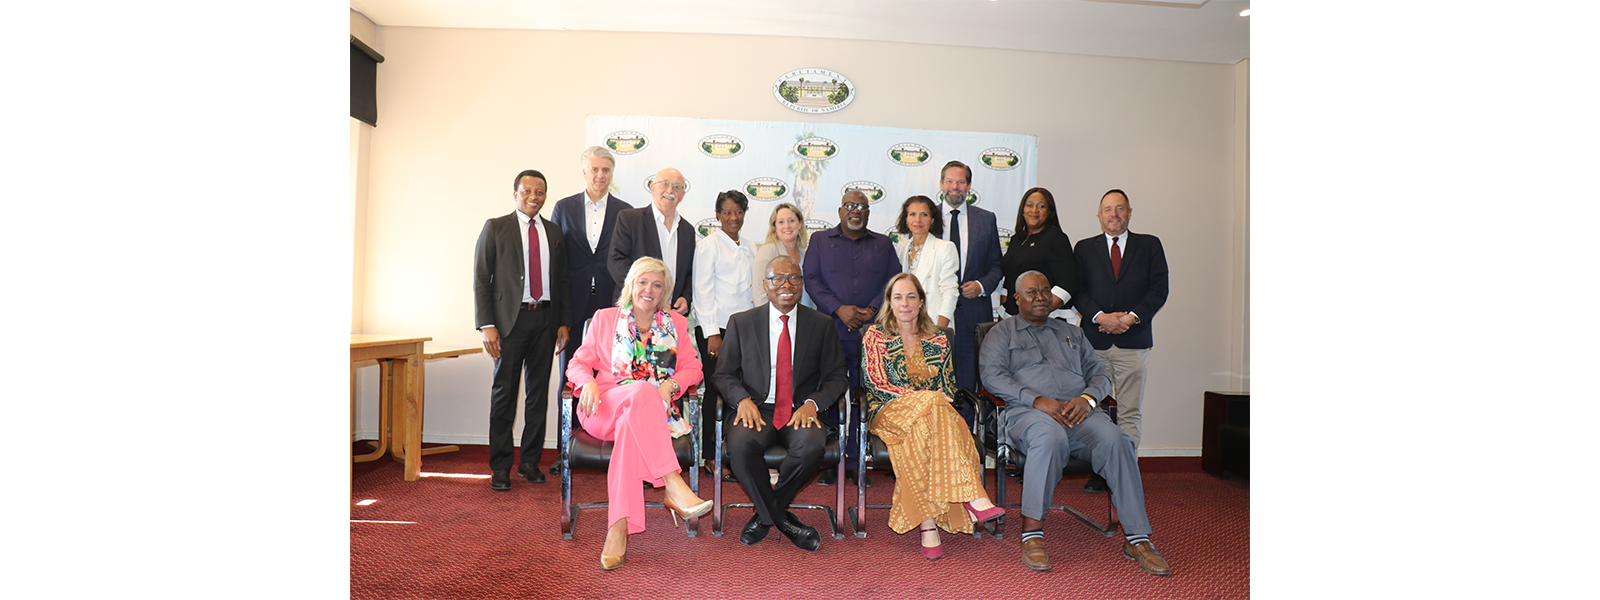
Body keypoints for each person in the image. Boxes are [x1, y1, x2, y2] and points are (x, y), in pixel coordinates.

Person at [979, 271, 1170, 576]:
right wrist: (1036, 400)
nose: (1040, 297)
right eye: (1031, 292)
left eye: (1045, 291)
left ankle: (1137, 538)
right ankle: (1032, 534)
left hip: (1079, 414)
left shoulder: (1072, 333)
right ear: (1017, 299)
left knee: (1118, 440)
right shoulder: (1001, 333)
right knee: (1049, 436)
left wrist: (1088, 399)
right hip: (1028, 414)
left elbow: (1099, 373)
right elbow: (992, 376)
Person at [565, 257, 714, 571]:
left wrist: (671, 384)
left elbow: (695, 368)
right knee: (644, 390)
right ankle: (672, 482)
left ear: (664, 292)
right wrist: (587, 382)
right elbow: (577, 363)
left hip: (646, 417)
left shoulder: (676, 324)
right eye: (643, 282)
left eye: (657, 285)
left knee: (632, 422)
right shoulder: (605, 318)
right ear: (631, 285)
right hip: (603, 406)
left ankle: (618, 527)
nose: (649, 289)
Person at [860, 273, 1004, 560]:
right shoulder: (875, 336)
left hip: (931, 416)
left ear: (921, 301)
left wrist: (931, 400)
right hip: (889, 410)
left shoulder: (938, 338)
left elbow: (948, 386)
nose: (904, 303)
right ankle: (974, 496)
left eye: (911, 297)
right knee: (933, 403)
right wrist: (925, 397)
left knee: (922, 431)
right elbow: (876, 383)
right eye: (898, 297)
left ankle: (928, 526)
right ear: (889, 302)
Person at [712, 255, 849, 551]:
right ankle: (782, 520)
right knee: (740, 446)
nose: (786, 284)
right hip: (756, 408)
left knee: (811, 446)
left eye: (793, 278)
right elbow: (723, 374)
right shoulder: (741, 323)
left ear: (802, 283)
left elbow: (838, 376)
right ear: (765, 284)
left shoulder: (821, 324)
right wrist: (742, 400)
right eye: (778, 279)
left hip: (801, 410)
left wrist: (813, 403)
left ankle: (765, 515)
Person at [473, 169, 571, 490]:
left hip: (545, 321)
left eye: (539, 192)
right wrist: (487, 325)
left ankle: (530, 461)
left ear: (545, 196)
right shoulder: (496, 227)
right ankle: (501, 466)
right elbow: (481, 278)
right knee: (504, 394)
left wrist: (563, 323)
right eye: (527, 191)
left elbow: (562, 281)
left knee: (538, 395)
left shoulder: (554, 231)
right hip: (509, 322)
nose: (533, 197)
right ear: (515, 194)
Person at [802, 190, 901, 486]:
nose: (855, 210)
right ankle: (830, 461)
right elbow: (811, 279)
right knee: (828, 395)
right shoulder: (820, 240)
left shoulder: (883, 244)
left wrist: (872, 308)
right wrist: (838, 308)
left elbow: (893, 280)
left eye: (861, 206)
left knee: (863, 397)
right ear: (840, 210)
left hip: (870, 335)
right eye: (849, 205)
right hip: (830, 331)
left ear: (868, 212)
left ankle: (857, 462)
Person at [548, 145, 633, 475]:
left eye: (606, 170)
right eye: (595, 169)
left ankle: (617, 446)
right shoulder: (564, 207)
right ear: (584, 171)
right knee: (571, 377)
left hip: (612, 305)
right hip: (573, 304)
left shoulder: (626, 212)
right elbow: (556, 262)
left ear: (612, 174)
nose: (600, 175)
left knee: (617, 377)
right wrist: (561, 316)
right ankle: (565, 450)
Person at [1072, 189, 1168, 456]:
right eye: (1108, 209)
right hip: (1094, 342)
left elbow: (1159, 289)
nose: (1114, 214)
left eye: (1120, 208)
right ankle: (1098, 467)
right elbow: (1078, 290)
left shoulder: (1149, 245)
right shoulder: (1084, 248)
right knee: (1093, 409)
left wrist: (1130, 318)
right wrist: (1101, 317)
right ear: (1099, 215)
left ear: (1129, 212)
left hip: (1133, 342)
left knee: (1129, 412)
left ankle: (1125, 468)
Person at [693, 190, 757, 481]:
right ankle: (710, 455)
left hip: (745, 328)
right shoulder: (708, 245)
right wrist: (711, 334)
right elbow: (703, 291)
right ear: (718, 215)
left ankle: (736, 452)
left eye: (738, 212)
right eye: (727, 212)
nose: (733, 217)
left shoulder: (750, 246)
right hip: (716, 329)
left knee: (740, 392)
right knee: (715, 391)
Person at [934, 161, 1003, 405]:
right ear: (941, 184)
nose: (955, 187)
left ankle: (966, 427)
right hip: (934, 314)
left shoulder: (986, 219)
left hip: (972, 315)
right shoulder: (927, 217)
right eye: (950, 181)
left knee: (967, 382)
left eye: (961, 182)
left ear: (969, 186)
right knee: (934, 380)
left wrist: (981, 286)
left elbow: (996, 265)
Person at [608, 168, 695, 317]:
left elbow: (689, 272)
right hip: (633, 310)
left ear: (682, 194)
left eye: (676, 186)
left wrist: (685, 297)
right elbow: (616, 261)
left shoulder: (688, 230)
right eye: (664, 184)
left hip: (671, 314)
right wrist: (645, 293)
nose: (670, 190)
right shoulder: (630, 219)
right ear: (653, 188)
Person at [1000, 187, 1080, 324]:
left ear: (1049, 212)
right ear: (1022, 210)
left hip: (1046, 321)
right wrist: (1004, 316)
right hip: (1014, 320)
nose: (1034, 210)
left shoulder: (1057, 239)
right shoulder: (1016, 240)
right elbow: (1010, 280)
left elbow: (1068, 282)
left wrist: (1039, 312)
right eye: (1029, 205)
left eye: (1041, 206)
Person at [891, 195, 959, 329]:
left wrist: (940, 330)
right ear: (906, 219)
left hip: (933, 324)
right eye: (912, 214)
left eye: (924, 215)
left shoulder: (945, 248)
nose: (918, 220)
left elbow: (950, 292)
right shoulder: (901, 248)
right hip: (904, 325)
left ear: (932, 220)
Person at [750, 202, 814, 310]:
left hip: (806, 316)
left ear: (800, 224)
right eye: (781, 222)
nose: (787, 226)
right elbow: (760, 292)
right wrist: (767, 318)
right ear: (775, 227)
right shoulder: (767, 252)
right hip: (779, 318)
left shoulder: (806, 254)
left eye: (791, 220)